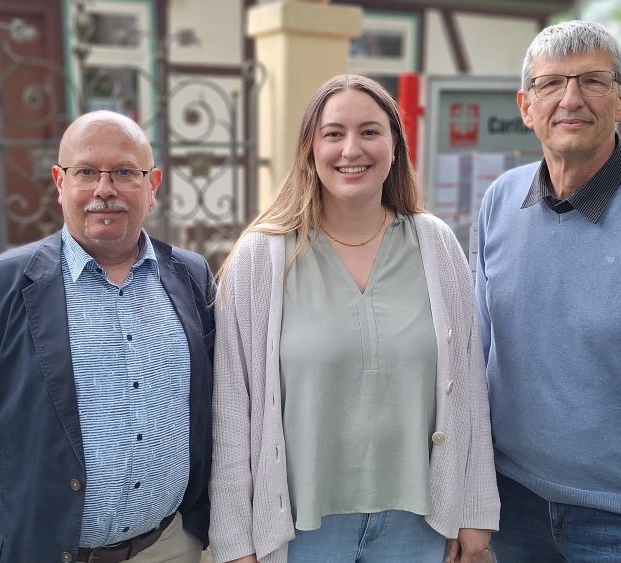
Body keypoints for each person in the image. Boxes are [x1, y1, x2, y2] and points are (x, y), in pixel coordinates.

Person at [210, 74, 499, 563]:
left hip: (419, 524)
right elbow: (232, 409)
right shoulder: (262, 258)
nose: (351, 149)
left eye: (369, 132)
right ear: (310, 148)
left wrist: (474, 509)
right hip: (300, 530)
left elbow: (469, 384)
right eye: (333, 133)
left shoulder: (435, 244)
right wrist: (237, 542)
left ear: (393, 147)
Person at [0, 110, 215, 563]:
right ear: (59, 182)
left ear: (153, 186)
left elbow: (219, 415)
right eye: (86, 171)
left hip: (168, 547)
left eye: (125, 172)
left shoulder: (191, 276)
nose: (104, 189)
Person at [476, 20, 621, 563]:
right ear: (525, 105)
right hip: (510, 508)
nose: (571, 99)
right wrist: (472, 504)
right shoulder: (500, 201)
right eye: (550, 84)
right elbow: (476, 358)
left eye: (594, 81)